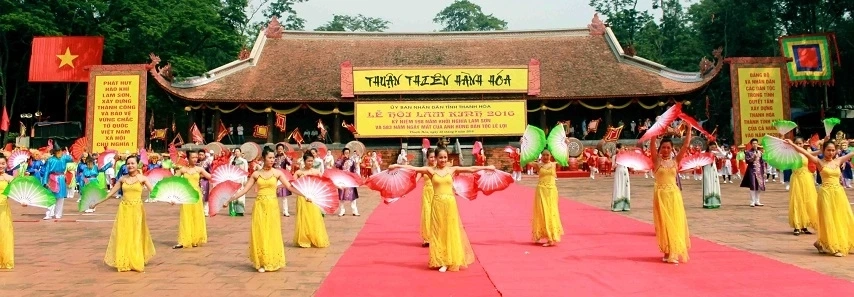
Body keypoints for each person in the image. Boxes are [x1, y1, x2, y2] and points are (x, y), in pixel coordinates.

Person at [391, 148, 493, 272]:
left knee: (450, 230)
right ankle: (441, 260)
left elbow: (471, 169)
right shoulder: (430, 170)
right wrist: (396, 166)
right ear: (436, 158)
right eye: (440, 157)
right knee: (438, 232)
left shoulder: (452, 170)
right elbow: (413, 168)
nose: (443, 160)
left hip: (450, 204)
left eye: (445, 157)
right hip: (437, 204)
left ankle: (450, 259)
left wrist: (487, 167)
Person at [225, 148, 303, 272]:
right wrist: (230, 199)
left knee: (272, 232)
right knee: (260, 232)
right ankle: (261, 261)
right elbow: (244, 190)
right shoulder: (256, 174)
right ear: (263, 158)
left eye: (273, 158)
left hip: (272, 206)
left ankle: (272, 260)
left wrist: (304, 194)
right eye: (269, 158)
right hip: (259, 206)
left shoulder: (277, 173)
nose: (272, 160)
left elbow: (289, 186)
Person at [786, 139, 854, 257]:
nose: (831, 152)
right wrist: (792, 144)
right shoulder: (819, 162)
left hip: (839, 193)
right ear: (823, 150)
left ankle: (820, 243)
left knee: (842, 216)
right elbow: (804, 152)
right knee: (829, 218)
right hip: (825, 194)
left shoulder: (838, 160)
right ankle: (833, 246)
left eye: (833, 150)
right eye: (828, 150)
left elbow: (852, 153)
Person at [96, 155, 157, 272]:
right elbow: (110, 194)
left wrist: (168, 199)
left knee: (136, 234)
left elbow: (154, 192)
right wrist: (96, 203)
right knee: (124, 234)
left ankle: (136, 260)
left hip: (137, 210)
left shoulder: (142, 179)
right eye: (128, 163)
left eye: (132, 163)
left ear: (137, 164)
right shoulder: (122, 179)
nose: (130, 165)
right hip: (124, 210)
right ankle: (125, 260)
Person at [650, 132, 691, 264]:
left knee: (675, 222)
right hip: (661, 196)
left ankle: (673, 252)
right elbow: (652, 144)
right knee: (664, 224)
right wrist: (656, 131)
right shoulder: (656, 161)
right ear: (660, 148)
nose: (666, 150)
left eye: (668, 147)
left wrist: (689, 129)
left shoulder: (675, 161)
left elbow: (685, 145)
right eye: (663, 147)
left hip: (674, 196)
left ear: (672, 149)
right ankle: (667, 251)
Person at [173, 151, 211, 249]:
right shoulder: (183, 169)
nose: (195, 159)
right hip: (186, 195)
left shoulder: (199, 169)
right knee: (186, 216)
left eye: (196, 157)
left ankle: (195, 239)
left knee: (196, 216)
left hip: (196, 195)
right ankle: (184, 240)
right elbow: (174, 180)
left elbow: (210, 177)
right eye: (193, 157)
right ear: (188, 158)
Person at [293, 153, 330, 248]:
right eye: (308, 161)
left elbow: (324, 182)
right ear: (304, 161)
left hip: (313, 197)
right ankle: (304, 239)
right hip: (302, 197)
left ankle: (315, 237)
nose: (310, 163)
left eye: (311, 161)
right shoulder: (298, 172)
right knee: (304, 218)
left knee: (315, 217)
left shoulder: (316, 172)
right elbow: (293, 185)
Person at [531, 149, 564, 246]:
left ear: (550, 156)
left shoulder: (554, 164)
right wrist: (524, 146)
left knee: (550, 212)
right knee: (541, 211)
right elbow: (525, 160)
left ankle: (551, 237)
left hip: (551, 191)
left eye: (547, 155)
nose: (545, 157)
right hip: (541, 190)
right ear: (541, 156)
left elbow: (564, 159)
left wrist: (565, 145)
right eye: (544, 155)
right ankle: (539, 234)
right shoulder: (538, 165)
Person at [786, 137, 819, 236]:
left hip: (807, 178)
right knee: (797, 200)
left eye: (800, 143)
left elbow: (819, 152)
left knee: (807, 200)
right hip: (796, 179)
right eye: (796, 143)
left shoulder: (806, 153)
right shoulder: (790, 154)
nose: (798, 145)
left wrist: (825, 141)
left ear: (804, 143)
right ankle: (797, 225)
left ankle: (804, 225)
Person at [41, 148, 73, 220]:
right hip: (52, 178)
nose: (60, 153)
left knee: (60, 198)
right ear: (55, 152)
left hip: (61, 179)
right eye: (58, 152)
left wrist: (69, 153)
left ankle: (58, 214)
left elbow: (72, 159)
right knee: (51, 197)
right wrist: (45, 182)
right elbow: (46, 171)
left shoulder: (64, 158)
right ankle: (49, 214)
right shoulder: (50, 160)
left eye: (60, 151)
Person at [740, 138, 766, 207]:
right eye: (753, 143)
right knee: (753, 185)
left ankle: (757, 201)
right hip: (752, 170)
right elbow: (747, 161)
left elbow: (762, 162)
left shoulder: (760, 152)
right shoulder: (748, 152)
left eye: (756, 143)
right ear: (751, 144)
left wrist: (764, 171)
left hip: (759, 171)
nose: (755, 144)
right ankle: (752, 201)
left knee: (759, 186)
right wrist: (753, 158)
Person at [0, 156, 15, 269]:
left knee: (4, 233)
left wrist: (23, 201)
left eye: (3, 163)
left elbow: (16, 193)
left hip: (3, 210)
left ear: (6, 165)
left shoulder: (9, 178)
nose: (1, 166)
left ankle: (4, 260)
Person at [335, 148, 360, 216]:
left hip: (350, 179)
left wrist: (355, 178)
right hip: (342, 179)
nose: (347, 154)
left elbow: (354, 170)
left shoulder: (351, 161)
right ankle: (342, 211)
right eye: (345, 152)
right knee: (341, 195)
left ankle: (355, 211)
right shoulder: (340, 160)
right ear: (343, 153)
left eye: (348, 153)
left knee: (353, 195)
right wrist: (342, 160)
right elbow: (337, 165)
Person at [419, 148, 437, 247]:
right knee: (427, 214)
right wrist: (406, 190)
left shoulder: (439, 168)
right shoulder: (424, 169)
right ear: (427, 158)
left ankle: (437, 237)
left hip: (437, 193)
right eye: (431, 157)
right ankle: (427, 238)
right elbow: (415, 180)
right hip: (427, 193)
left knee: (437, 215)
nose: (433, 159)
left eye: (434, 157)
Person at [273, 144, 292, 217]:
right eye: (279, 149)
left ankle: (285, 211)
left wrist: (285, 155)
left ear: (283, 150)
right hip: (274, 177)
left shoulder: (285, 157)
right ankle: (274, 210)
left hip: (282, 177)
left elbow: (290, 163)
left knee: (284, 196)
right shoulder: (274, 158)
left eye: (281, 149)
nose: (280, 150)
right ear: (276, 150)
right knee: (274, 194)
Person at [702, 142, 723, 209]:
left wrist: (718, 147)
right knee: (707, 185)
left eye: (714, 147)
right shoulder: (703, 153)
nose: (713, 148)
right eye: (711, 147)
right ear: (708, 146)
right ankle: (707, 202)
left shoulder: (715, 153)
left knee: (714, 185)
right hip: (707, 169)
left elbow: (723, 154)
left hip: (713, 170)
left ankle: (715, 202)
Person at [611, 143, 631, 211]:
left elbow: (628, 165)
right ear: (618, 149)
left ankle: (625, 206)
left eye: (623, 148)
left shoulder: (625, 156)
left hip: (625, 172)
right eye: (622, 148)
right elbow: (613, 167)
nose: (623, 150)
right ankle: (617, 206)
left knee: (625, 187)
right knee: (618, 187)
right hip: (619, 172)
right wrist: (617, 162)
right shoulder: (614, 157)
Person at [231, 148, 249, 216]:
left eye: (238, 151)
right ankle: (233, 210)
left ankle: (240, 211)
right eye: (235, 151)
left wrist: (245, 180)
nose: (236, 153)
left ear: (241, 152)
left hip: (241, 179)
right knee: (233, 195)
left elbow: (246, 171)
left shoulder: (244, 161)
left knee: (241, 194)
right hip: (234, 179)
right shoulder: (232, 161)